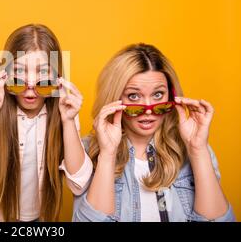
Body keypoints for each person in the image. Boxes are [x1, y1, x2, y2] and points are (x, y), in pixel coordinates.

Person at [73, 43, 235, 222]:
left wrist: (198, 149)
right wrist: (108, 154)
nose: (148, 110)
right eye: (134, 96)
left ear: (172, 96)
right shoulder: (86, 151)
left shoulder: (193, 147)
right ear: (115, 98)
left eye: (158, 94)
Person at [0, 24, 92, 221]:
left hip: (41, 218)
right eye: (21, 71)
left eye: (42, 72)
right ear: (5, 72)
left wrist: (69, 121)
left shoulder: (65, 107)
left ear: (57, 76)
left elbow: (78, 184)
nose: (31, 85)